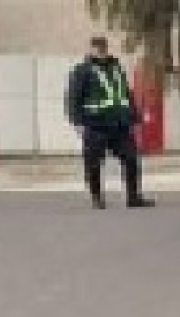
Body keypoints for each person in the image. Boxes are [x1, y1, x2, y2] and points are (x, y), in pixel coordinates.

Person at [64, 36, 150, 210]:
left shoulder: (116, 68)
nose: (101, 51)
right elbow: (73, 98)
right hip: (95, 125)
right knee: (94, 163)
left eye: (103, 47)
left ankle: (133, 197)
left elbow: (126, 94)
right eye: (97, 48)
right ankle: (97, 197)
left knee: (131, 159)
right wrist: (77, 122)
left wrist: (134, 118)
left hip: (120, 125)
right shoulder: (82, 71)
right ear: (91, 49)